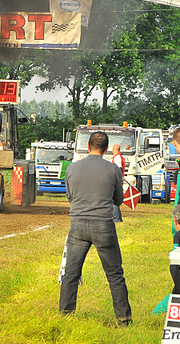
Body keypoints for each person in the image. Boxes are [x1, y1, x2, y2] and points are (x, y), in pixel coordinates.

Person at [59, 131, 132, 327]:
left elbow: (70, 196)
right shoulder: (113, 169)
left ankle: (65, 315)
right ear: (106, 149)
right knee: (115, 275)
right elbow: (118, 200)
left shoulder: (72, 168)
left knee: (71, 273)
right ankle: (124, 320)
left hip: (78, 225)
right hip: (103, 225)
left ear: (88, 146)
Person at [111, 144, 125, 223]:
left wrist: (117, 179)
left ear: (114, 149)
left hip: (117, 180)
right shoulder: (120, 157)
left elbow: (118, 169)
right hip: (119, 180)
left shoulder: (117, 158)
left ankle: (116, 218)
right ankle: (118, 217)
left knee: (113, 199)